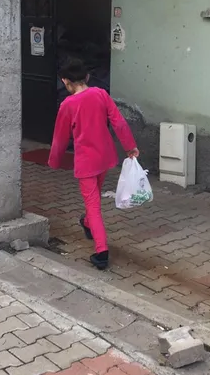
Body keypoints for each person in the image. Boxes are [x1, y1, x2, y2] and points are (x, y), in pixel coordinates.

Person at [48, 57, 139, 270]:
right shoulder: (101, 94)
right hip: (104, 156)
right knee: (94, 198)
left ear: (65, 81)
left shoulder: (67, 105)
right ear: (87, 77)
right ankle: (87, 223)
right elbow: (118, 122)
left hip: (86, 161)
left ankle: (101, 251)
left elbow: (60, 138)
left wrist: (54, 161)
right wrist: (130, 147)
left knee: (93, 204)